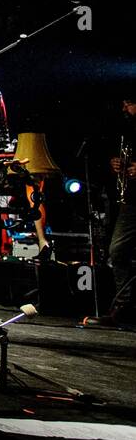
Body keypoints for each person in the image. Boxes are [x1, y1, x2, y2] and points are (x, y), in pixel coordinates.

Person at [83, 95, 136, 327]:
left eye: (130, 103)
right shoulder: (128, 129)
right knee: (118, 249)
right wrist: (115, 163)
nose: (125, 108)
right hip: (132, 200)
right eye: (123, 103)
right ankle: (123, 308)